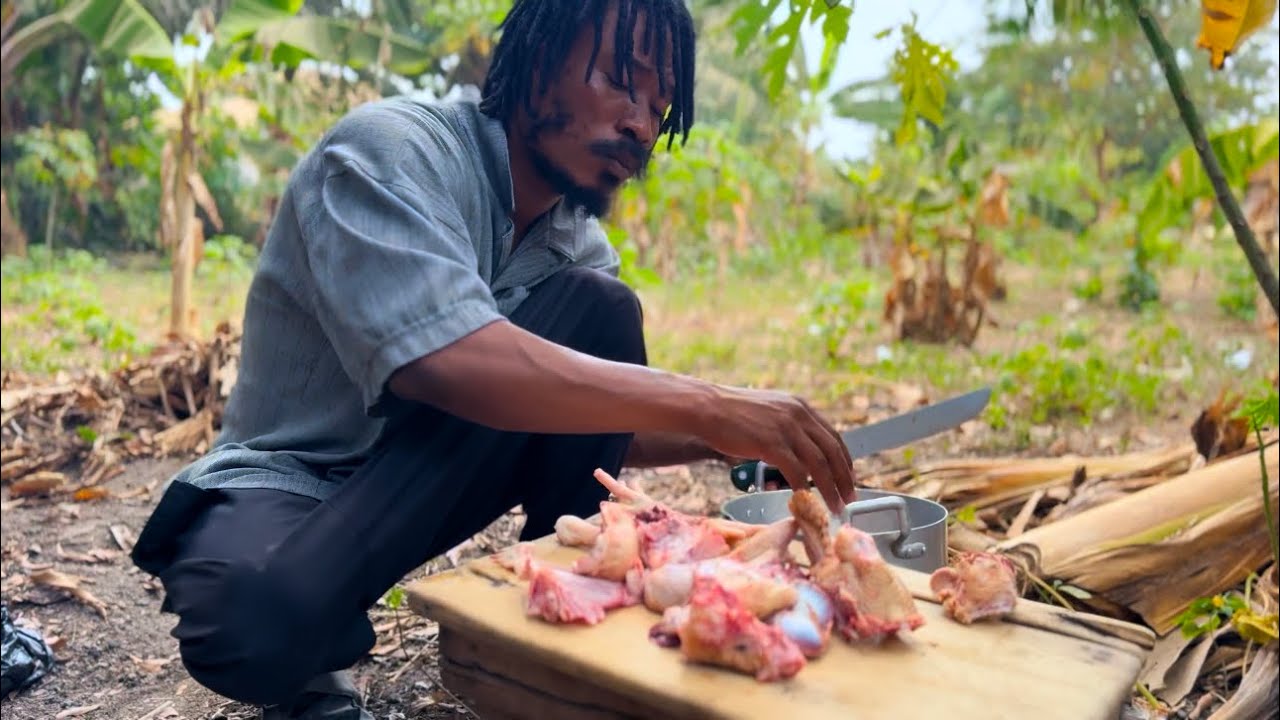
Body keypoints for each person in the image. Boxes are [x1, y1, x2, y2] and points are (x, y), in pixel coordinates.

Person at [129, 0, 856, 717]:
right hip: (290, 484)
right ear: (538, 60)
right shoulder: (389, 151)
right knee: (252, 623)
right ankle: (321, 635)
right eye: (620, 81)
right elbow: (446, 363)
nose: (640, 123)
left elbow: (585, 417)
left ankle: (572, 615)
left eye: (660, 109)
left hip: (422, 480)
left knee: (600, 310)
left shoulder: (574, 240)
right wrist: (709, 402)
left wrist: (734, 438)